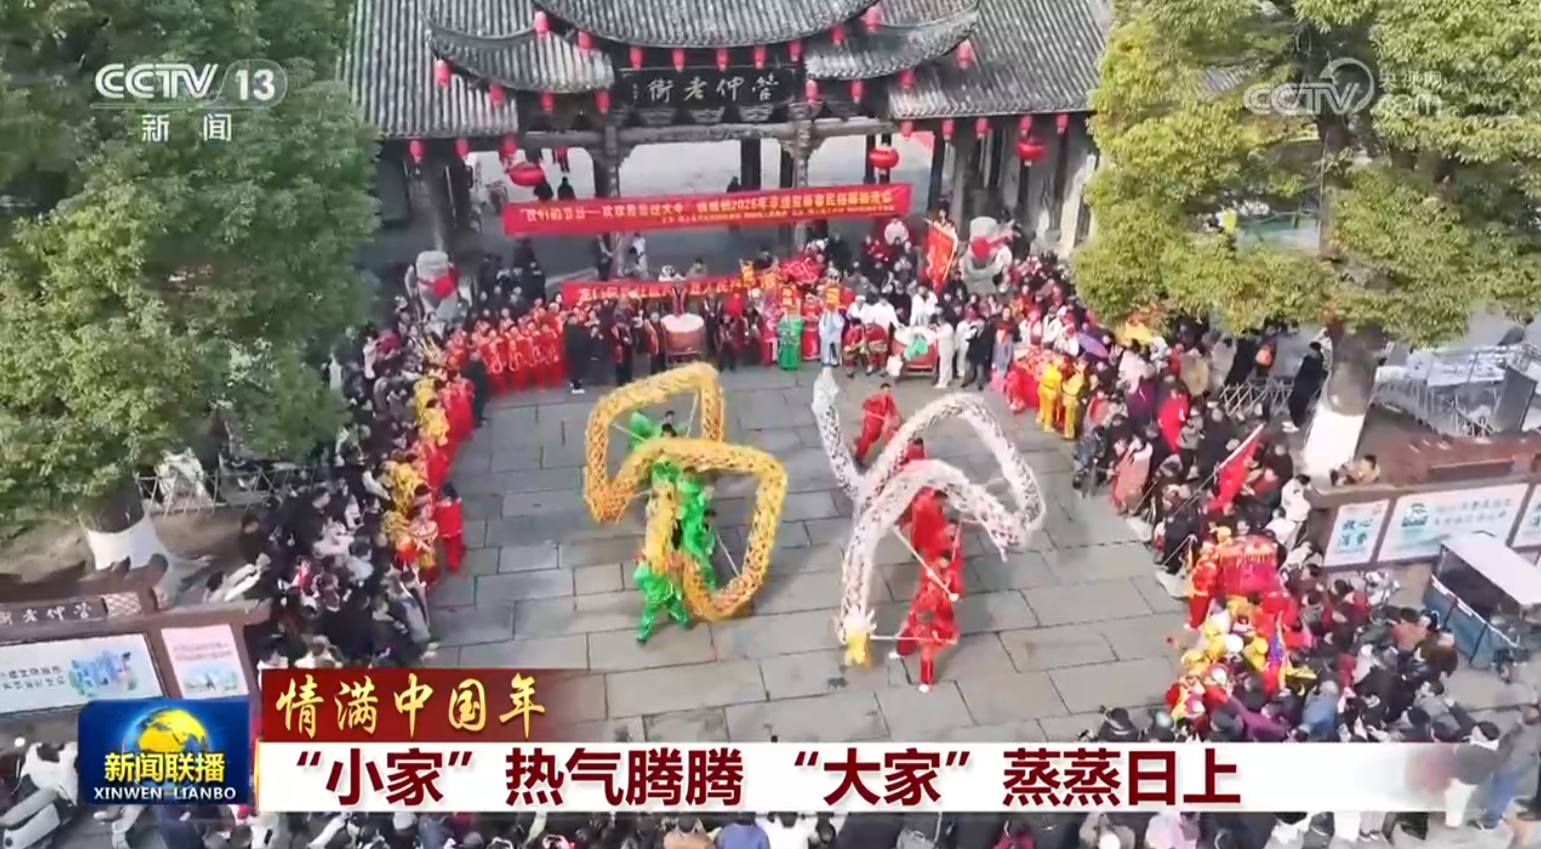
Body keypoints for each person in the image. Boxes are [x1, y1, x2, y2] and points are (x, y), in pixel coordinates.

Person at [854, 382, 899, 465]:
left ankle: (858, 442)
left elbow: (893, 410)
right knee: (866, 439)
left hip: (879, 422)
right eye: (885, 390)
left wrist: (894, 419)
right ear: (881, 390)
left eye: (888, 391)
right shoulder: (876, 397)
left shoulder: (889, 400)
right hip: (871, 421)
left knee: (874, 437)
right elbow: (865, 404)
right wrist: (869, 410)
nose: (887, 393)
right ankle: (859, 457)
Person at [1285, 342, 1326, 432]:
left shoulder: (1317, 362)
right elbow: (1301, 369)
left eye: (1311, 350)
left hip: (1306, 387)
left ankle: (1297, 424)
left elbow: (1316, 376)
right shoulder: (1308, 358)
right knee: (1292, 402)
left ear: (1315, 351)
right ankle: (1295, 422)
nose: (1309, 351)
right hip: (1300, 384)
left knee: (1300, 405)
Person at [435, 483, 465, 572]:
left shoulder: (439, 508)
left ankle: (453, 564)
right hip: (457, 528)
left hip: (447, 532)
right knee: (458, 541)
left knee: (450, 550)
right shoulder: (456, 502)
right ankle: (460, 551)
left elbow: (437, 517)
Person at [562, 313, 589, 394]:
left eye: (575, 318)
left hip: (579, 350)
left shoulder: (578, 327)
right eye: (572, 319)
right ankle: (576, 387)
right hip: (573, 351)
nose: (574, 320)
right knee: (575, 369)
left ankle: (575, 382)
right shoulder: (568, 329)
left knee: (577, 368)